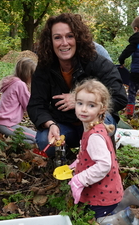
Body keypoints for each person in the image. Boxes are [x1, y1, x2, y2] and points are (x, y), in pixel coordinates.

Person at [27, 13, 128, 158]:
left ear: (78, 38)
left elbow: (119, 97)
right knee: (44, 140)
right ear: (50, 42)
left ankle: (102, 157)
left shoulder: (97, 63)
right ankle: (71, 161)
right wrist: (50, 124)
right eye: (57, 37)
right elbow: (36, 104)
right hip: (63, 124)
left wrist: (81, 101)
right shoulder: (44, 68)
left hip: (95, 120)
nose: (64, 43)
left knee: (102, 125)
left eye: (70, 36)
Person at [67, 79, 139, 225]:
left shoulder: (94, 136)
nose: (83, 109)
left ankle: (128, 222)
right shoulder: (94, 127)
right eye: (80, 103)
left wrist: (80, 179)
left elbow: (104, 164)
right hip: (110, 186)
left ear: (101, 109)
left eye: (91, 105)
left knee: (99, 220)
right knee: (110, 204)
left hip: (102, 191)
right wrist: (77, 163)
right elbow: (89, 154)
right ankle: (128, 197)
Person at [0, 57, 37, 144]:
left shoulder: (12, 82)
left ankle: (10, 142)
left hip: (2, 122)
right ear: (28, 74)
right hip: (6, 124)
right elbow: (29, 105)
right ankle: (10, 144)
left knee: (29, 140)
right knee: (37, 138)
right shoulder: (20, 84)